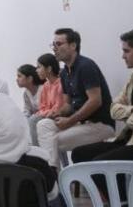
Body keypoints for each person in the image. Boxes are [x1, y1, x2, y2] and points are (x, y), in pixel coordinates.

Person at [71, 28, 133, 170]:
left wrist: (129, 113)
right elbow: (113, 108)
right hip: (127, 138)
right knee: (79, 154)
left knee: (99, 165)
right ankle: (103, 192)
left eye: (126, 51)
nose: (122, 56)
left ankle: (120, 193)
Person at [36, 28, 115, 168]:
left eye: (58, 44)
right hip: (80, 123)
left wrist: (69, 121)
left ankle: (53, 177)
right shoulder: (65, 72)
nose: (54, 48)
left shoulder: (86, 66)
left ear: (73, 45)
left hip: (100, 124)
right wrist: (58, 112)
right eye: (53, 45)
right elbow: (67, 104)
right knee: (43, 125)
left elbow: (95, 101)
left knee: (52, 141)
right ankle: (54, 174)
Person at [30, 53, 64, 145]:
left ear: (49, 69)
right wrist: (43, 113)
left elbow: (58, 107)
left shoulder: (61, 84)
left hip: (59, 116)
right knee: (33, 118)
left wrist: (42, 114)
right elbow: (42, 106)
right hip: (47, 115)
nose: (36, 70)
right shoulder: (46, 85)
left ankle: (38, 155)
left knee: (33, 120)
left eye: (39, 67)